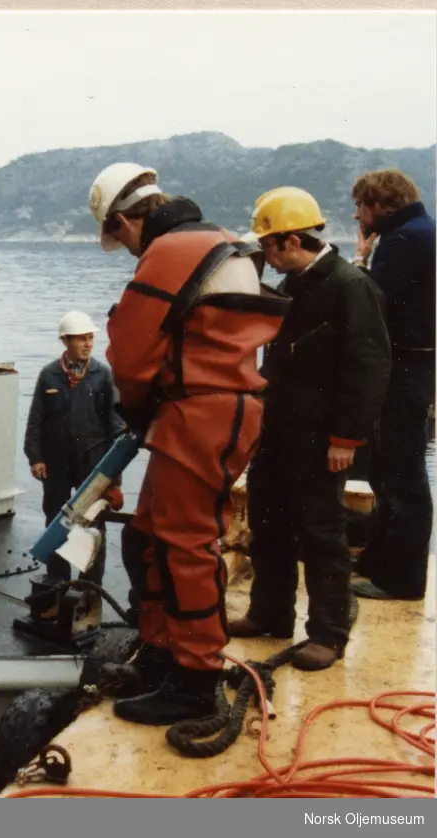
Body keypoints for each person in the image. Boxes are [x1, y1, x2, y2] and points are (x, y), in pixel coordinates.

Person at [88, 162, 290, 726]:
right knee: (151, 535)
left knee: (184, 544)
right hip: (214, 412)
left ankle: (196, 680)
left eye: (120, 237)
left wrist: (132, 403)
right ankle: (160, 654)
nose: (126, 250)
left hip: (201, 414)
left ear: (128, 219)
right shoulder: (226, 243)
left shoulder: (172, 251)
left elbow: (129, 357)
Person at [229, 187, 391, 671]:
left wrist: (346, 439)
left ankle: (327, 633)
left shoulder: (349, 287)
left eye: (269, 248)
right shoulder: (295, 284)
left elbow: (369, 367)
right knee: (268, 523)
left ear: (292, 239)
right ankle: (270, 612)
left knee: (322, 533)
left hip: (322, 440)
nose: (267, 258)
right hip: (279, 432)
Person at [347, 169, 436, 602]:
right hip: (418, 366)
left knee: (402, 475)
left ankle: (401, 581)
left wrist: (359, 261)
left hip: (405, 368)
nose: (358, 214)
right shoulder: (421, 230)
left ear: (383, 204)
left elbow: (371, 301)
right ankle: (379, 562)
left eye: (362, 206)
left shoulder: (403, 240)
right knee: (390, 470)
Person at [24, 310, 126, 593]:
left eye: (91, 338)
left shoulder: (103, 375)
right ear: (65, 341)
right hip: (56, 462)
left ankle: (90, 584)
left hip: (93, 463)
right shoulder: (49, 375)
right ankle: (57, 577)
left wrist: (113, 474)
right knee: (55, 517)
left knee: (93, 523)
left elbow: (116, 424)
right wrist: (36, 457)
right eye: (82, 339)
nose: (88, 344)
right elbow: (36, 420)